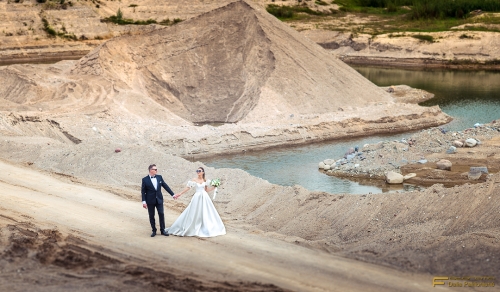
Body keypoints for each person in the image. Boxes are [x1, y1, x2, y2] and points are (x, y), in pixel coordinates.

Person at [167, 167, 226, 237]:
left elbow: (206, 190)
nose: (198, 172)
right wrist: (180, 193)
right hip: (197, 197)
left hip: (204, 197)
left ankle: (206, 226)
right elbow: (188, 187)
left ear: (203, 172)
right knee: (194, 211)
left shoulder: (205, 180)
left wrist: (214, 187)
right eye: (197, 171)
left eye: (199, 171)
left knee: (206, 212)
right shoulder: (194, 180)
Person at [141, 164, 175, 237]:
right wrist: (144, 201)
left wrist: (173, 194)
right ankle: (154, 230)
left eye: (156, 169)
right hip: (150, 200)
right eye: (155, 169)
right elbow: (143, 192)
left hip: (159, 199)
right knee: (151, 215)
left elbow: (165, 186)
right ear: (150, 170)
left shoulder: (159, 177)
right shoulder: (145, 179)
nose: (157, 170)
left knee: (161, 214)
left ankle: (163, 230)